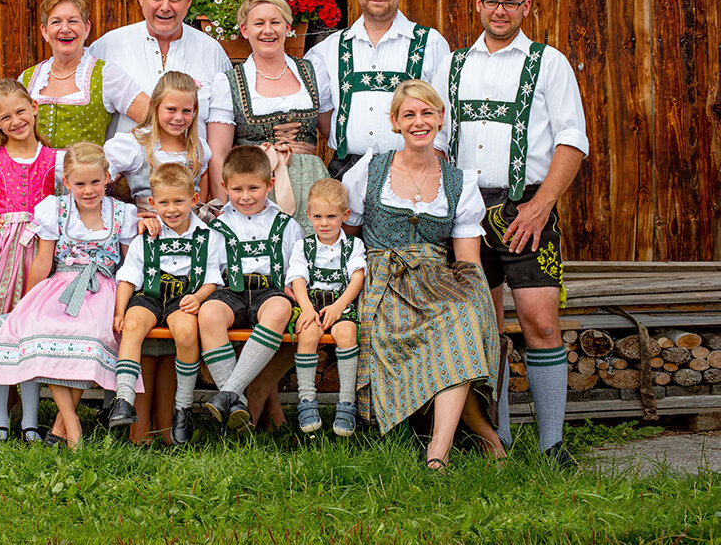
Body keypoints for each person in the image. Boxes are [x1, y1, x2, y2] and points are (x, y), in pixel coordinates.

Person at [432, 0, 589, 467]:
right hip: (465, 213)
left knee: (541, 323)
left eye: (511, 2)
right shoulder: (452, 65)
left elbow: (572, 140)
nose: (500, 10)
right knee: (482, 325)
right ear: (477, 4)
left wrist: (542, 206)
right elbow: (432, 138)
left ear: (526, 6)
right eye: (491, 1)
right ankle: (494, 438)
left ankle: (551, 444)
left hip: (527, 207)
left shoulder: (550, 63)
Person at [343, 79, 504, 469]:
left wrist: (475, 301)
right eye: (409, 114)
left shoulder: (459, 182)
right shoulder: (368, 170)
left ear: (441, 119)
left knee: (460, 317)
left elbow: (467, 262)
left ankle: (438, 452)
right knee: (434, 332)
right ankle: (485, 436)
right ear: (395, 122)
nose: (419, 122)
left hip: (436, 279)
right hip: (382, 280)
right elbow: (345, 237)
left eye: (427, 113)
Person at [0, 143, 148, 449]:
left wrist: (126, 304)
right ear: (66, 182)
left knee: (93, 333)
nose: (88, 190)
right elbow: (43, 260)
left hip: (103, 288)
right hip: (61, 285)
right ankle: (72, 425)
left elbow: (127, 265)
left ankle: (62, 427)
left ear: (107, 177)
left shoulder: (123, 213)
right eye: (79, 183)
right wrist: (27, 304)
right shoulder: (55, 209)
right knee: (44, 328)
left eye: (95, 182)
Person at [0, 80, 65, 442]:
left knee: (31, 333)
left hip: (40, 252)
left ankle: (29, 420)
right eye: (5, 116)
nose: (15, 121)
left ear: (34, 108)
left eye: (20, 111)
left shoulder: (57, 160)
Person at [305, 0, 450, 182]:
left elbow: (444, 109)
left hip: (414, 169)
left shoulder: (430, 43)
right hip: (346, 170)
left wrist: (432, 164)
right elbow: (324, 115)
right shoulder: (327, 50)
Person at [107, 164, 227, 445]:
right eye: (164, 202)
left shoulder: (208, 237)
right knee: (133, 324)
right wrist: (118, 311)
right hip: (149, 294)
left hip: (182, 297)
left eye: (178, 201)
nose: (171, 209)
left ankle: (183, 406)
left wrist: (197, 298)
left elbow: (212, 279)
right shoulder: (145, 238)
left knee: (186, 331)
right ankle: (123, 398)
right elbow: (128, 277)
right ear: (153, 203)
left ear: (194, 200)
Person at [198, 146, 305, 430]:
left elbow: (297, 265)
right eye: (237, 189)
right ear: (224, 187)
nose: (245, 197)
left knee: (280, 308)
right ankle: (237, 405)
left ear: (270, 184)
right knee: (209, 314)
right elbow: (211, 270)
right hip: (231, 289)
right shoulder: (219, 226)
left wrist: (293, 285)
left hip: (270, 290)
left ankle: (227, 394)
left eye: (254, 188)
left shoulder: (286, 225)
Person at [208, 0, 330, 232]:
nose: (268, 30)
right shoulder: (229, 82)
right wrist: (224, 210)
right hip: (254, 187)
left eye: (275, 22)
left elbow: (332, 131)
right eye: (258, 23)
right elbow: (219, 153)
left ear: (287, 27)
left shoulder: (312, 71)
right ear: (244, 30)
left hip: (313, 185)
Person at [89, 0, 232, 142]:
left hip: (192, 169)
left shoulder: (212, 52)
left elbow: (227, 122)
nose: (165, 7)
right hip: (124, 169)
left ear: (189, 1)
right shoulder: (107, 46)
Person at [285, 178, 366, 436]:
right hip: (312, 302)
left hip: (341, 303)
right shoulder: (304, 246)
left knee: (346, 334)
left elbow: (357, 278)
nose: (324, 223)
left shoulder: (354, 246)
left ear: (345, 215)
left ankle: (346, 402)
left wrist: (341, 304)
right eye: (317, 216)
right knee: (308, 333)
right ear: (308, 215)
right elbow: (298, 278)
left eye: (331, 216)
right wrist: (307, 308)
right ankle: (307, 400)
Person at [20, 0, 149, 148]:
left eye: (73, 21)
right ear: (45, 31)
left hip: (89, 173)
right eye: (55, 22)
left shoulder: (105, 75)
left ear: (86, 28)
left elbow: (153, 118)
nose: (65, 28)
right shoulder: (28, 78)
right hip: (32, 174)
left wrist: (122, 158)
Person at [105, 70, 211, 208]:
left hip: (190, 226)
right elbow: (99, 181)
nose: (178, 117)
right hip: (149, 227)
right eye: (171, 109)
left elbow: (201, 190)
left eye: (186, 111)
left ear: (194, 110)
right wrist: (129, 216)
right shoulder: (134, 145)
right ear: (155, 106)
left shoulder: (199, 148)